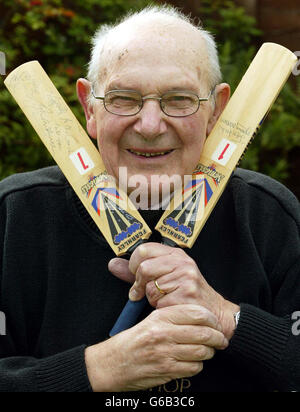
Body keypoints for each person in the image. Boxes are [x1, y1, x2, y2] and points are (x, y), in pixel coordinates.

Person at [0, 5, 299, 393]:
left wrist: (227, 317)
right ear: (89, 108)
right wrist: (97, 368)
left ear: (217, 111)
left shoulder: (270, 216)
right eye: (124, 98)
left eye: (179, 100)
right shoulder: (15, 214)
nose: (151, 126)